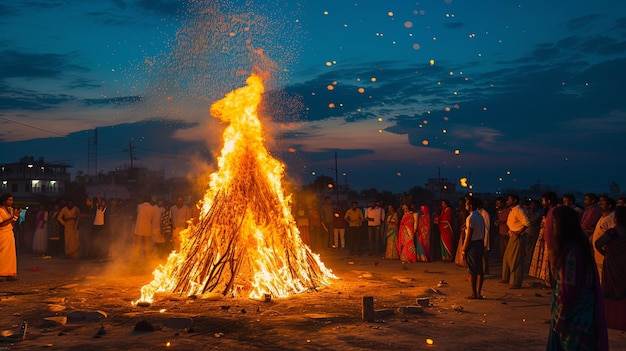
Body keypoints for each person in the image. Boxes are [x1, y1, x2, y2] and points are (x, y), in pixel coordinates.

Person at [547, 206, 608, 350]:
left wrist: (562, 318)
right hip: (581, 311)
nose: (552, 228)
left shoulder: (571, 252)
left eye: (554, 223)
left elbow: (569, 289)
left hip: (574, 316)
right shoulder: (579, 245)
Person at [595, 206, 626, 331]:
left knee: (611, 289)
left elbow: (598, 244)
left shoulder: (613, 232)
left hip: (612, 264)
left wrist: (606, 254)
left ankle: (613, 319)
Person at [529, 192, 558, 287]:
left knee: (551, 263)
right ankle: (547, 280)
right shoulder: (549, 211)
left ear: (549, 201)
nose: (542, 202)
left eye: (543, 200)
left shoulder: (554, 211)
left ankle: (553, 283)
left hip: (551, 242)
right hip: (545, 240)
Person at [501, 194, 530, 289]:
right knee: (507, 257)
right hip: (512, 236)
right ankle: (506, 278)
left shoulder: (519, 210)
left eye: (509, 200)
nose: (507, 202)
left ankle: (516, 282)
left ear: (515, 200)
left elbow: (526, 223)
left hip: (518, 237)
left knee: (516, 259)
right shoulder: (513, 210)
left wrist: (518, 233)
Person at [462, 197, 486, 299]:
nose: (465, 206)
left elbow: (469, 236)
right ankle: (479, 292)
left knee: (472, 270)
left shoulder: (470, 218)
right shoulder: (480, 217)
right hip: (480, 243)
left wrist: (463, 250)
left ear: (470, 206)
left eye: (466, 204)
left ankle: (474, 293)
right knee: (480, 269)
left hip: (473, 244)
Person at [591, 196, 615, 283]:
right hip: (598, 255)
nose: (600, 206)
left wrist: (604, 252)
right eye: (600, 204)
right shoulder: (603, 217)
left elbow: (612, 235)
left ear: (609, 206)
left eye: (602, 204)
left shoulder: (612, 218)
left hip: (604, 254)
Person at [0, 194, 20, 281]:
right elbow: (1, 224)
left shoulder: (11, 210)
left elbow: (11, 224)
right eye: (9, 200)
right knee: (2, 253)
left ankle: (9, 273)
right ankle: (1, 273)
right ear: (4, 201)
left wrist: (16, 217)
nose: (11, 202)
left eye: (12, 200)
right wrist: (12, 217)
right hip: (2, 233)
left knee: (10, 254)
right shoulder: (0, 210)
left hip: (9, 233)